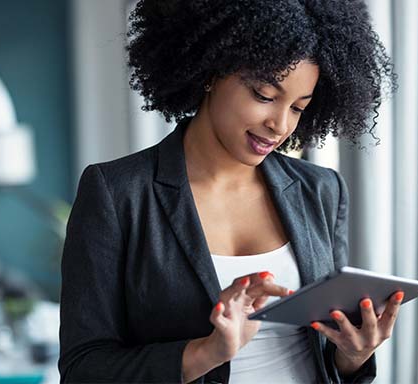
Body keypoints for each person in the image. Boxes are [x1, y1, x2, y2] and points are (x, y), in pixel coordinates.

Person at [58, 0, 399, 383]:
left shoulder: (320, 189)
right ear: (211, 71)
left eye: (298, 108)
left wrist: (353, 355)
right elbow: (83, 368)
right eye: (264, 95)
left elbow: (328, 355)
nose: (279, 125)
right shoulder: (117, 193)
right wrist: (206, 353)